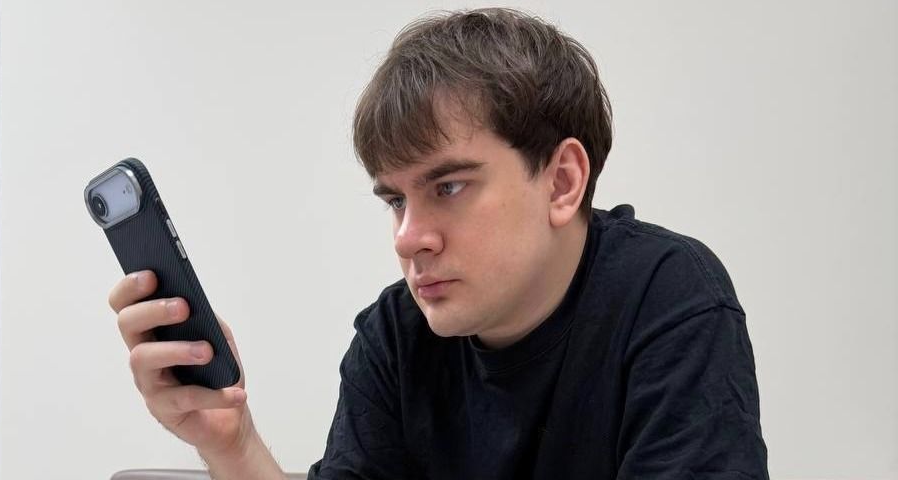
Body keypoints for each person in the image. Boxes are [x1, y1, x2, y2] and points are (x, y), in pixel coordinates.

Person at [107, 7, 768, 480]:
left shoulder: (668, 297)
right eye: (395, 200)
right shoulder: (396, 336)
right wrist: (231, 443)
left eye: (448, 187)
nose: (408, 238)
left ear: (562, 181)